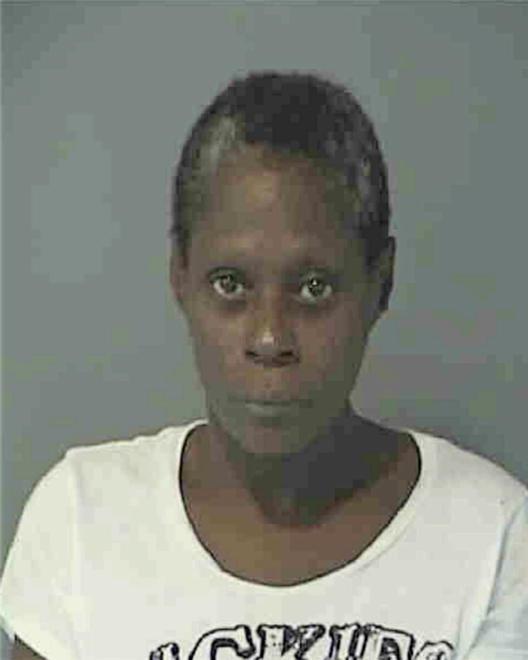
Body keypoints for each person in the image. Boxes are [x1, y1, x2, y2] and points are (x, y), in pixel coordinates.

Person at [1, 70, 527, 660]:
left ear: (381, 283)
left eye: (314, 287)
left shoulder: (494, 540)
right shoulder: (82, 519)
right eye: (230, 284)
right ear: (180, 276)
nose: (270, 338)